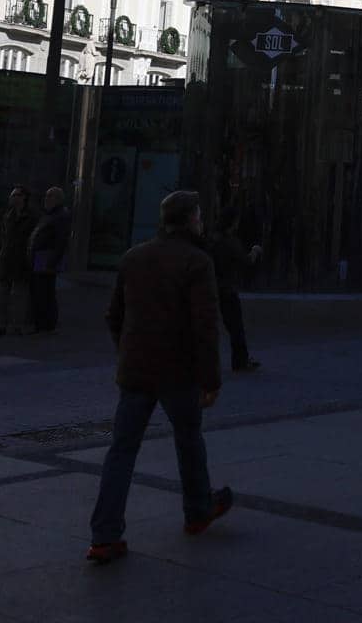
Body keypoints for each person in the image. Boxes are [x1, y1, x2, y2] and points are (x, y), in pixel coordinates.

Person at [86, 191, 232, 563]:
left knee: (121, 450)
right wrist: (211, 378)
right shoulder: (197, 262)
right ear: (189, 220)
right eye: (199, 216)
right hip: (178, 371)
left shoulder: (133, 257)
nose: (201, 222)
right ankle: (198, 509)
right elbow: (205, 327)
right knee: (188, 439)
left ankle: (105, 534)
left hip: (136, 370)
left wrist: (127, 350)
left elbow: (113, 315)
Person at [210, 206, 261, 373]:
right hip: (228, 289)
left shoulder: (214, 239)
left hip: (214, 287)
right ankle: (240, 361)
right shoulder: (230, 241)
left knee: (224, 325)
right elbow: (246, 261)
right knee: (236, 326)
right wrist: (254, 250)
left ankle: (239, 359)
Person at [0, 187, 36, 336]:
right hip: (7, 256)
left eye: (17, 195)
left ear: (24, 197)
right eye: (12, 195)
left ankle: (17, 324)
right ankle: (2, 324)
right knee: (3, 292)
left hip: (22, 258)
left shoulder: (31, 217)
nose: (13, 197)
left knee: (19, 293)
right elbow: (5, 236)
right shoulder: (8, 216)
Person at [29, 186, 72, 333]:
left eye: (50, 196)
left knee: (45, 291)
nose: (46, 199)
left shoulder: (60, 216)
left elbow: (61, 241)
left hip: (47, 257)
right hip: (41, 256)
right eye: (46, 196)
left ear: (58, 199)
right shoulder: (50, 215)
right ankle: (42, 322)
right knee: (41, 290)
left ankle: (46, 323)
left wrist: (53, 261)